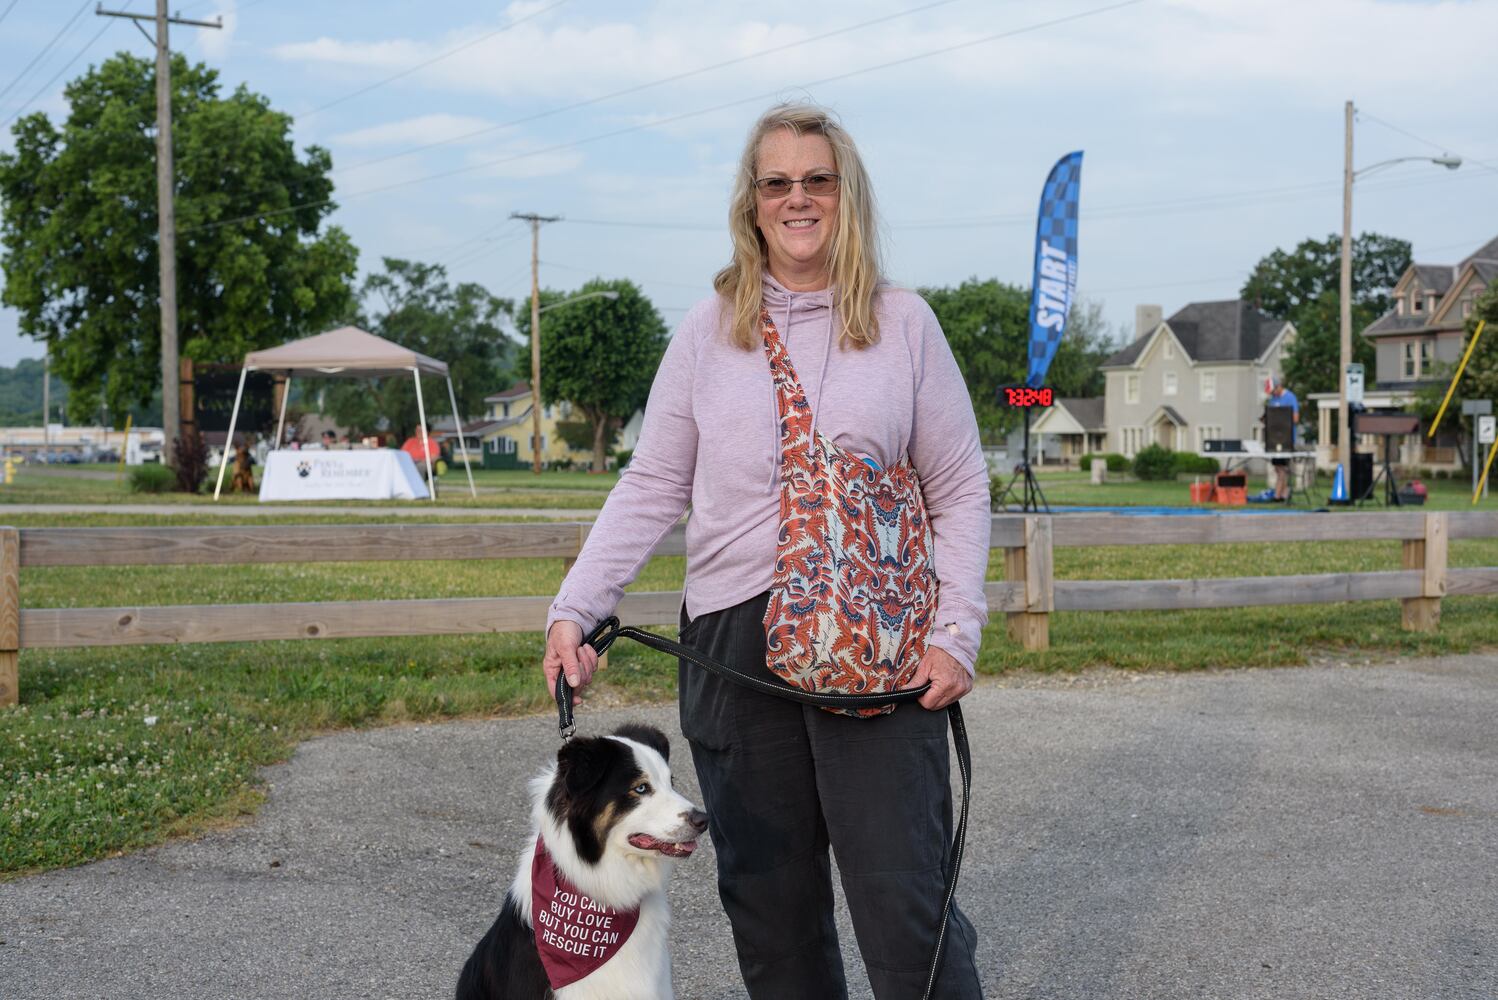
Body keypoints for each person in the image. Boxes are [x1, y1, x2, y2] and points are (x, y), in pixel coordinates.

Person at [542, 103, 990, 999]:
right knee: (770, 905)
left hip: (877, 645)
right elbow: (653, 483)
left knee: (903, 900)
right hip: (733, 643)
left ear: (846, 195)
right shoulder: (711, 330)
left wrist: (956, 628)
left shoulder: (904, 325)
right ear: (752, 204)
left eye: (817, 180)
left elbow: (961, 486)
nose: (798, 198)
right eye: (776, 182)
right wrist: (577, 606)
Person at [1268, 376, 1300, 500]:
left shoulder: (1290, 398)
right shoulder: (1273, 399)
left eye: (1273, 391)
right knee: (1278, 468)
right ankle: (1283, 492)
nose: (1272, 394)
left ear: (1278, 387)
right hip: (1273, 439)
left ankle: (1279, 494)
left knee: (1283, 468)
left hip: (1286, 439)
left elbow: (1296, 419)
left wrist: (1281, 420)